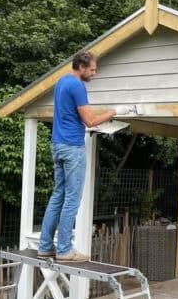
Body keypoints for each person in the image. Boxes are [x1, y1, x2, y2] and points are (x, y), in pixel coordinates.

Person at [38, 50, 135, 262]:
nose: (94, 73)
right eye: (92, 69)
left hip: (58, 145)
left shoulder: (61, 82)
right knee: (72, 199)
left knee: (58, 196)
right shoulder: (77, 86)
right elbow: (90, 121)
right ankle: (64, 249)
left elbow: (74, 115)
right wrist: (115, 111)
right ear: (81, 67)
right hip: (72, 147)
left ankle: (45, 246)